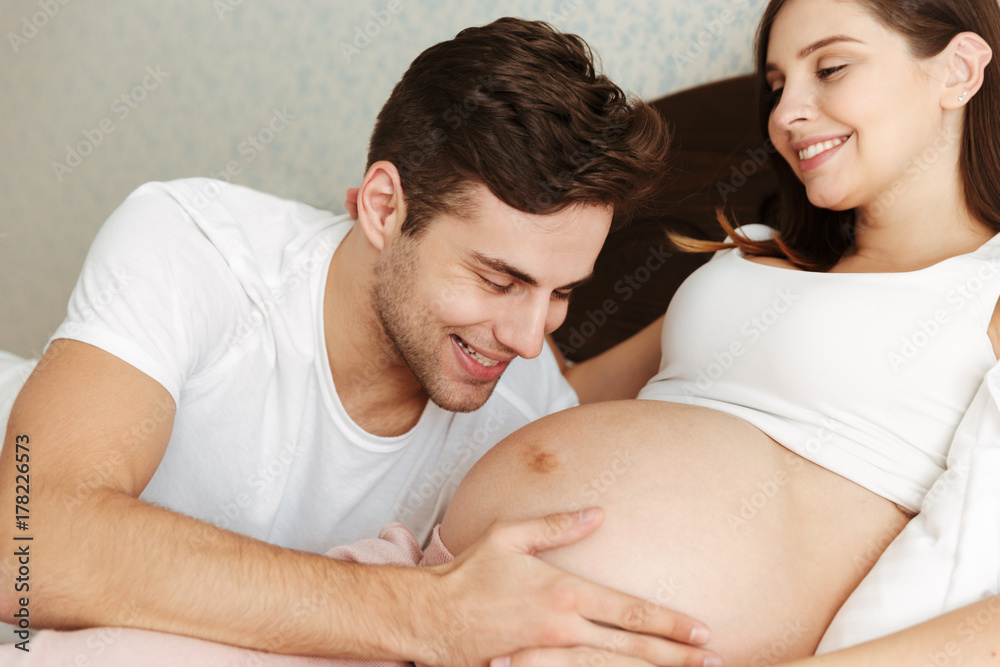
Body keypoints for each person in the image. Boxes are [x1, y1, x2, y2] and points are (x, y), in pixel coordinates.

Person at [0, 17, 720, 667]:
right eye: (499, 278)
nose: (529, 339)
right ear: (383, 207)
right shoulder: (195, 245)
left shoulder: (526, 413)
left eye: (561, 293)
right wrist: (425, 611)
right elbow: (28, 547)